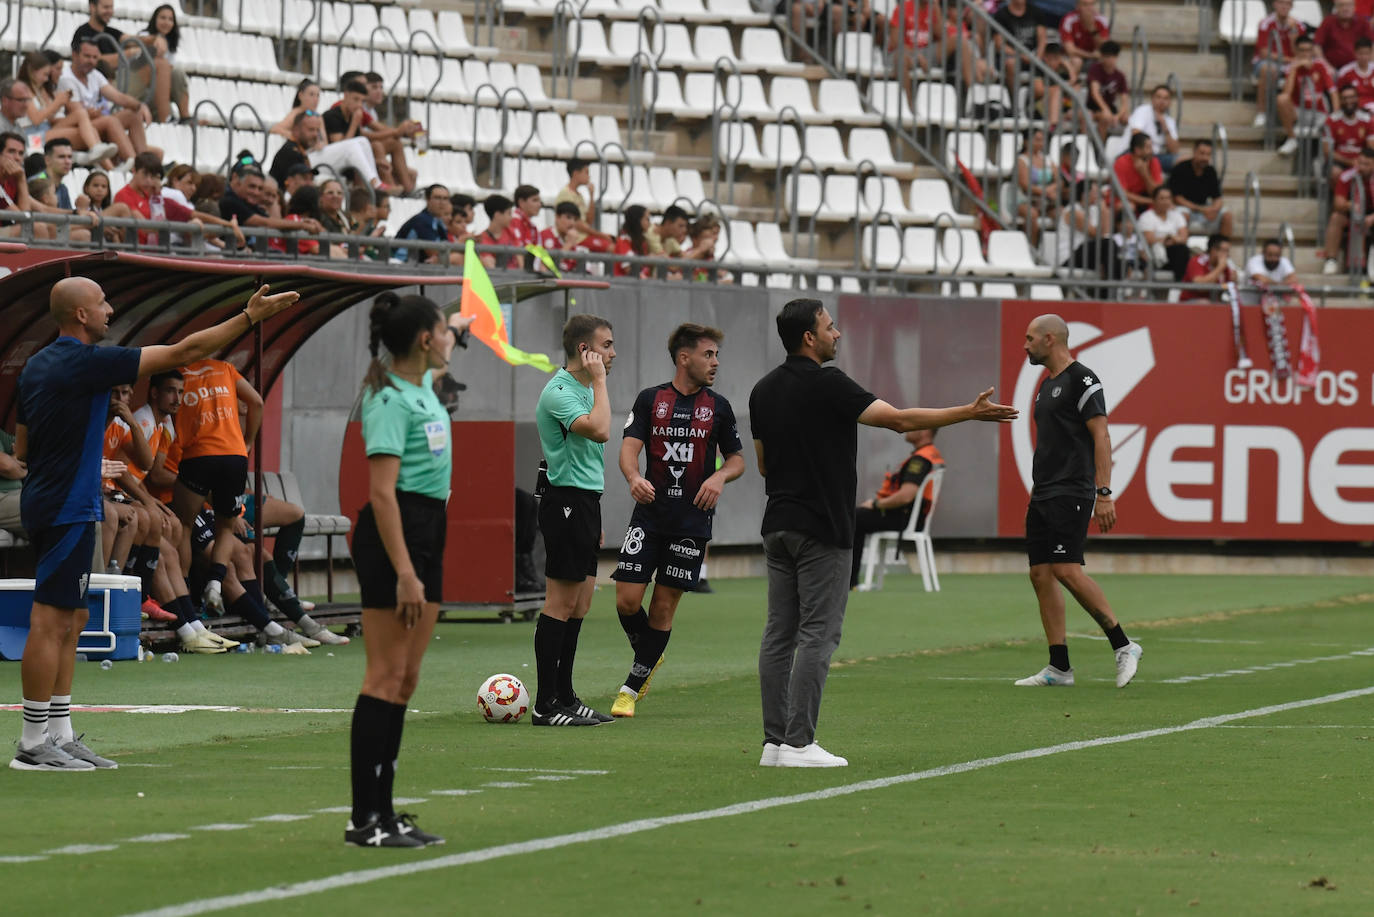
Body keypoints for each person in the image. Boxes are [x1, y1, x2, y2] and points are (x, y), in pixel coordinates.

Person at [11, 277, 298, 772]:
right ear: (80, 315)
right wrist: (249, 317)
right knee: (50, 619)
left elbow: (22, 447)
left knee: (73, 618)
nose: (110, 307)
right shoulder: (85, 362)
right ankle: (32, 744)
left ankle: (57, 732)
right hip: (64, 506)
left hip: (65, 502)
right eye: (102, 302)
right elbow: (187, 349)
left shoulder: (39, 364)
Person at [750, 299, 1016, 768]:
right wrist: (968, 413)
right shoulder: (828, 383)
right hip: (823, 526)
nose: (838, 334)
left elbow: (764, 463)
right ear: (809, 337)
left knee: (779, 635)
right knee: (817, 635)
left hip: (778, 523)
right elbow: (897, 420)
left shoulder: (762, 389)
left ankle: (775, 744)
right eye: (830, 328)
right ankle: (798, 743)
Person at [344, 294, 472, 846]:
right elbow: (381, 493)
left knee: (407, 679)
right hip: (395, 535)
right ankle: (363, 819)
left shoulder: (421, 384)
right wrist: (405, 572)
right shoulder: (388, 398)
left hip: (428, 531)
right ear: (424, 339)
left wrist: (461, 322)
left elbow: (445, 346)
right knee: (384, 676)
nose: (451, 338)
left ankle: (387, 812)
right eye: (444, 331)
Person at [609, 324, 745, 718]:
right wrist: (634, 478)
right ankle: (650, 655)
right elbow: (628, 449)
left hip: (691, 522)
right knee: (626, 600)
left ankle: (630, 689)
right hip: (649, 516)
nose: (715, 362)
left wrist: (719, 476)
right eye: (709, 354)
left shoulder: (718, 406)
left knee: (663, 608)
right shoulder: (651, 399)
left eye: (717, 355)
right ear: (684, 357)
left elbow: (737, 459)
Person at [1015, 314, 1141, 690]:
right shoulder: (1046, 384)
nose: (1025, 344)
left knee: (1067, 570)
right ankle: (1059, 667)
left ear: (1050, 340)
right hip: (1044, 492)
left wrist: (1104, 493)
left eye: (1030, 338)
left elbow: (1101, 435)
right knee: (1040, 573)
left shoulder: (1082, 379)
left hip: (1072, 490)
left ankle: (1124, 645)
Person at [531, 314, 618, 727]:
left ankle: (565, 695)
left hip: (585, 503)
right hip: (564, 502)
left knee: (581, 603)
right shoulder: (560, 391)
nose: (612, 353)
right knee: (560, 603)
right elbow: (601, 432)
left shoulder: (584, 388)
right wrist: (600, 382)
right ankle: (545, 705)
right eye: (606, 345)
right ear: (585, 351)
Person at [168, 354, 263, 615]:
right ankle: (215, 583)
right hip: (234, 455)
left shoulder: (181, 374)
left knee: (185, 527)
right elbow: (256, 401)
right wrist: (249, 441)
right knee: (226, 528)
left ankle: (185, 593)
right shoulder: (226, 370)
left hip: (197, 455)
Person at [849, 428, 943, 589]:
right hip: (910, 518)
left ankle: (850, 582)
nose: (908, 428)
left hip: (903, 519)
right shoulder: (930, 454)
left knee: (854, 518)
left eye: (915, 425)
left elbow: (906, 496)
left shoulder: (920, 460)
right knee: (858, 515)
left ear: (925, 432)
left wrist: (876, 504)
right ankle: (852, 581)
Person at [59, 37, 161, 166]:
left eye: (95, 57)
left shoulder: (94, 74)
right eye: (87, 56)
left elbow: (118, 97)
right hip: (76, 128)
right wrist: (93, 114)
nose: (91, 61)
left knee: (132, 114)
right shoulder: (66, 78)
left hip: (95, 122)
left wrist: (140, 105)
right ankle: (134, 165)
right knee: (109, 120)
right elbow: (76, 113)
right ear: (74, 55)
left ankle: (144, 163)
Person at [15, 55, 118, 165]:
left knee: (82, 116)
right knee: (86, 131)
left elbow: (49, 117)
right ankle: (93, 156)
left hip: (46, 128)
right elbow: (36, 119)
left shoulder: (41, 90)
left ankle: (101, 157)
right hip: (33, 136)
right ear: (32, 72)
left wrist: (60, 104)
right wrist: (57, 103)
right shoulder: (24, 90)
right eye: (44, 74)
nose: (46, 79)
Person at [320, 79, 392, 193]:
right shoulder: (332, 116)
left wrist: (376, 161)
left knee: (363, 141)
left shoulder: (353, 116)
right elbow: (341, 147)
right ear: (346, 95)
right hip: (326, 161)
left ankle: (375, 183)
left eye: (361, 102)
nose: (358, 105)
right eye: (356, 99)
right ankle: (375, 184)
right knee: (353, 145)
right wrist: (354, 124)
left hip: (344, 163)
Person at [1278, 35, 1337, 156]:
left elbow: (1333, 92)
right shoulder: (1292, 67)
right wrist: (1294, 70)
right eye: (1302, 50)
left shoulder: (1320, 65)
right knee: (1281, 99)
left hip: (1319, 112)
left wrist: (1336, 115)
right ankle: (1292, 139)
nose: (1305, 54)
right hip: (1299, 111)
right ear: (1296, 51)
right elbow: (1286, 94)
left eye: (1308, 50)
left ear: (1312, 51)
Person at [1254, 0, 1307, 127]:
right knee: (1268, 69)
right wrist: (1287, 60)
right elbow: (1263, 52)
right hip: (1269, 62)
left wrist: (1293, 35)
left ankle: (1296, 118)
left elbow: (1300, 53)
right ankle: (1262, 112)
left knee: (1304, 68)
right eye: (1281, 3)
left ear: (1292, 6)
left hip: (1290, 63)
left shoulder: (1298, 26)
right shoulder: (1266, 23)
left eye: (1288, 3)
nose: (1284, 6)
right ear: (1274, 4)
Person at [1166, 138, 1233, 238]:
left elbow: (1218, 198)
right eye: (1202, 153)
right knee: (1183, 215)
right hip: (1185, 208)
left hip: (1204, 209)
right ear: (1194, 152)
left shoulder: (1210, 171)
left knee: (1227, 216)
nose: (1205, 158)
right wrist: (1201, 209)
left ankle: (1221, 247)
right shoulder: (1181, 168)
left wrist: (1213, 210)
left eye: (1208, 154)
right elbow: (1177, 199)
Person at [1321, 144, 1374, 272]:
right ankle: (1331, 260)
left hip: (1372, 215)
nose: (1361, 167)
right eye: (1360, 163)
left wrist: (1372, 218)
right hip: (1354, 213)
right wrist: (1351, 205)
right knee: (1336, 218)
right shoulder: (1347, 176)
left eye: (1366, 164)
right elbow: (1338, 204)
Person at [0, 131, 59, 240]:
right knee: (37, 228)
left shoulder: (13, 181)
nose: (17, 158)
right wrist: (22, 179)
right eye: (11, 151)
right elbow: (23, 219)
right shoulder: (18, 179)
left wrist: (77, 212)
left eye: (21, 153)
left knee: (54, 228)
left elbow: (42, 209)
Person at [142, 4, 190, 122]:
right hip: (145, 88)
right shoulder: (144, 37)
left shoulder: (171, 43)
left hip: (163, 88)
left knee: (177, 73)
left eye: (170, 19)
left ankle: (185, 116)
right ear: (155, 19)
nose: (166, 22)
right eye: (163, 18)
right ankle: (166, 118)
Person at [393, 183, 458, 265]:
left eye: (445, 199)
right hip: (403, 265)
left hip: (419, 266)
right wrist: (459, 243)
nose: (442, 202)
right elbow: (434, 252)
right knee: (457, 258)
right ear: (427, 199)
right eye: (437, 198)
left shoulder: (438, 222)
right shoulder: (422, 220)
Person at [1136, 185, 1192, 280]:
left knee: (1182, 250)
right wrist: (1171, 238)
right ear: (1154, 200)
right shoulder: (1146, 217)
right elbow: (1149, 239)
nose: (1166, 201)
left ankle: (1178, 286)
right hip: (1153, 254)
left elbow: (1184, 238)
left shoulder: (1177, 215)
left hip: (1172, 253)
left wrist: (1165, 239)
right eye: (1162, 198)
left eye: (1168, 198)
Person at [1324, 84, 1372, 189]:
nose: (1348, 101)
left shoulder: (1367, 119)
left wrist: (1362, 163)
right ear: (1340, 100)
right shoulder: (1332, 120)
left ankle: (1366, 202)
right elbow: (1327, 151)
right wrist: (1349, 162)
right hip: (1339, 161)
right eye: (1345, 98)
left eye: (1352, 97)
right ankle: (1338, 201)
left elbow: (1371, 148)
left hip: (1361, 160)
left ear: (1357, 99)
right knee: (1335, 172)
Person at [1015, 127, 1056, 246]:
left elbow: (1058, 180)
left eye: (1042, 140)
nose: (1040, 143)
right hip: (1024, 200)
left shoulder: (1048, 160)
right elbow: (1025, 185)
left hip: (1046, 201)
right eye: (1037, 139)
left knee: (1060, 214)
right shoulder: (1021, 160)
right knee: (1032, 215)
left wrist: (1051, 190)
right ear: (1027, 141)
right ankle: (1030, 248)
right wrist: (1045, 192)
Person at [1127, 84, 1180, 172]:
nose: (1162, 101)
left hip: (1157, 157)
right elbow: (1136, 134)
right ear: (1152, 99)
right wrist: (1148, 151)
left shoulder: (1170, 121)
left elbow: (1174, 150)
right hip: (1137, 154)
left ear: (1170, 102)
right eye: (1158, 97)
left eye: (1166, 98)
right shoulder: (1143, 110)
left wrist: (1165, 127)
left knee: (1182, 162)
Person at [1314, 0, 1374, 71]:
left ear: (1354, 7)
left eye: (1349, 5)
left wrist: (1370, 65)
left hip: (1358, 69)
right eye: (1341, 5)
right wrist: (1325, 65)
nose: (1345, 8)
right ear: (1336, 8)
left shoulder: (1362, 22)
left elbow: (1372, 44)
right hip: (1333, 69)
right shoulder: (1328, 22)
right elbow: (1316, 46)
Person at [1112, 131, 1163, 215]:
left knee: (1164, 206)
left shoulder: (1154, 161)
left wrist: (1145, 174)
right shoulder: (1121, 163)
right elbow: (1122, 193)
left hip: (1146, 198)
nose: (1152, 151)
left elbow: (1157, 193)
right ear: (1137, 150)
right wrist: (1150, 201)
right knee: (1128, 207)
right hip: (1124, 200)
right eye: (1148, 147)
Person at [1058, 0, 1110, 80]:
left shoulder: (1102, 20)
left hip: (1094, 58)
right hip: (1072, 57)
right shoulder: (1069, 19)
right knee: (1077, 61)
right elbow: (1070, 50)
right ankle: (1073, 86)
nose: (1089, 8)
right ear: (1077, 6)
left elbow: (1105, 48)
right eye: (1085, 5)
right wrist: (1091, 55)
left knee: (1108, 61)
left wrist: (1092, 29)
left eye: (1091, 5)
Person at [1087, 40, 1130, 136]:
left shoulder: (1120, 75)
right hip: (1094, 108)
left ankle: (1124, 147)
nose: (1110, 60)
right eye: (1107, 56)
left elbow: (1124, 101)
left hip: (1111, 108)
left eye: (1113, 56)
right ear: (1102, 57)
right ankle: (1101, 148)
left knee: (1127, 119)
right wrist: (1106, 110)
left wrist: (1118, 116)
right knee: (1105, 117)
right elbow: (1095, 93)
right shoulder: (1095, 69)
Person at [1179, 234, 1237, 301]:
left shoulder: (1226, 267)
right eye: (1224, 250)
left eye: (1227, 251)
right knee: (1205, 303)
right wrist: (1220, 268)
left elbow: (1228, 291)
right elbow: (1200, 287)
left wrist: (1233, 280)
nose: (1227, 254)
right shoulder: (1197, 261)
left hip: (1214, 302)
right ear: (1213, 250)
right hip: (1190, 302)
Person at [476, 194, 518, 269]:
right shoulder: (481, 239)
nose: (511, 217)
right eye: (509, 213)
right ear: (497, 215)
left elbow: (520, 258)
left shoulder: (511, 232)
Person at [614, 204, 652, 278]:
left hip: (640, 285)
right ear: (637, 220)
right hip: (625, 286)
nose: (649, 223)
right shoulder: (623, 240)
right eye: (647, 219)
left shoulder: (642, 241)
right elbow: (629, 270)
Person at [1337, 37, 1374, 110]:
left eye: (1366, 53)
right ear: (1355, 53)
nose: (1364, 57)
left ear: (1371, 53)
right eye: (1361, 53)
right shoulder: (1345, 72)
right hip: (1355, 111)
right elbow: (1339, 95)